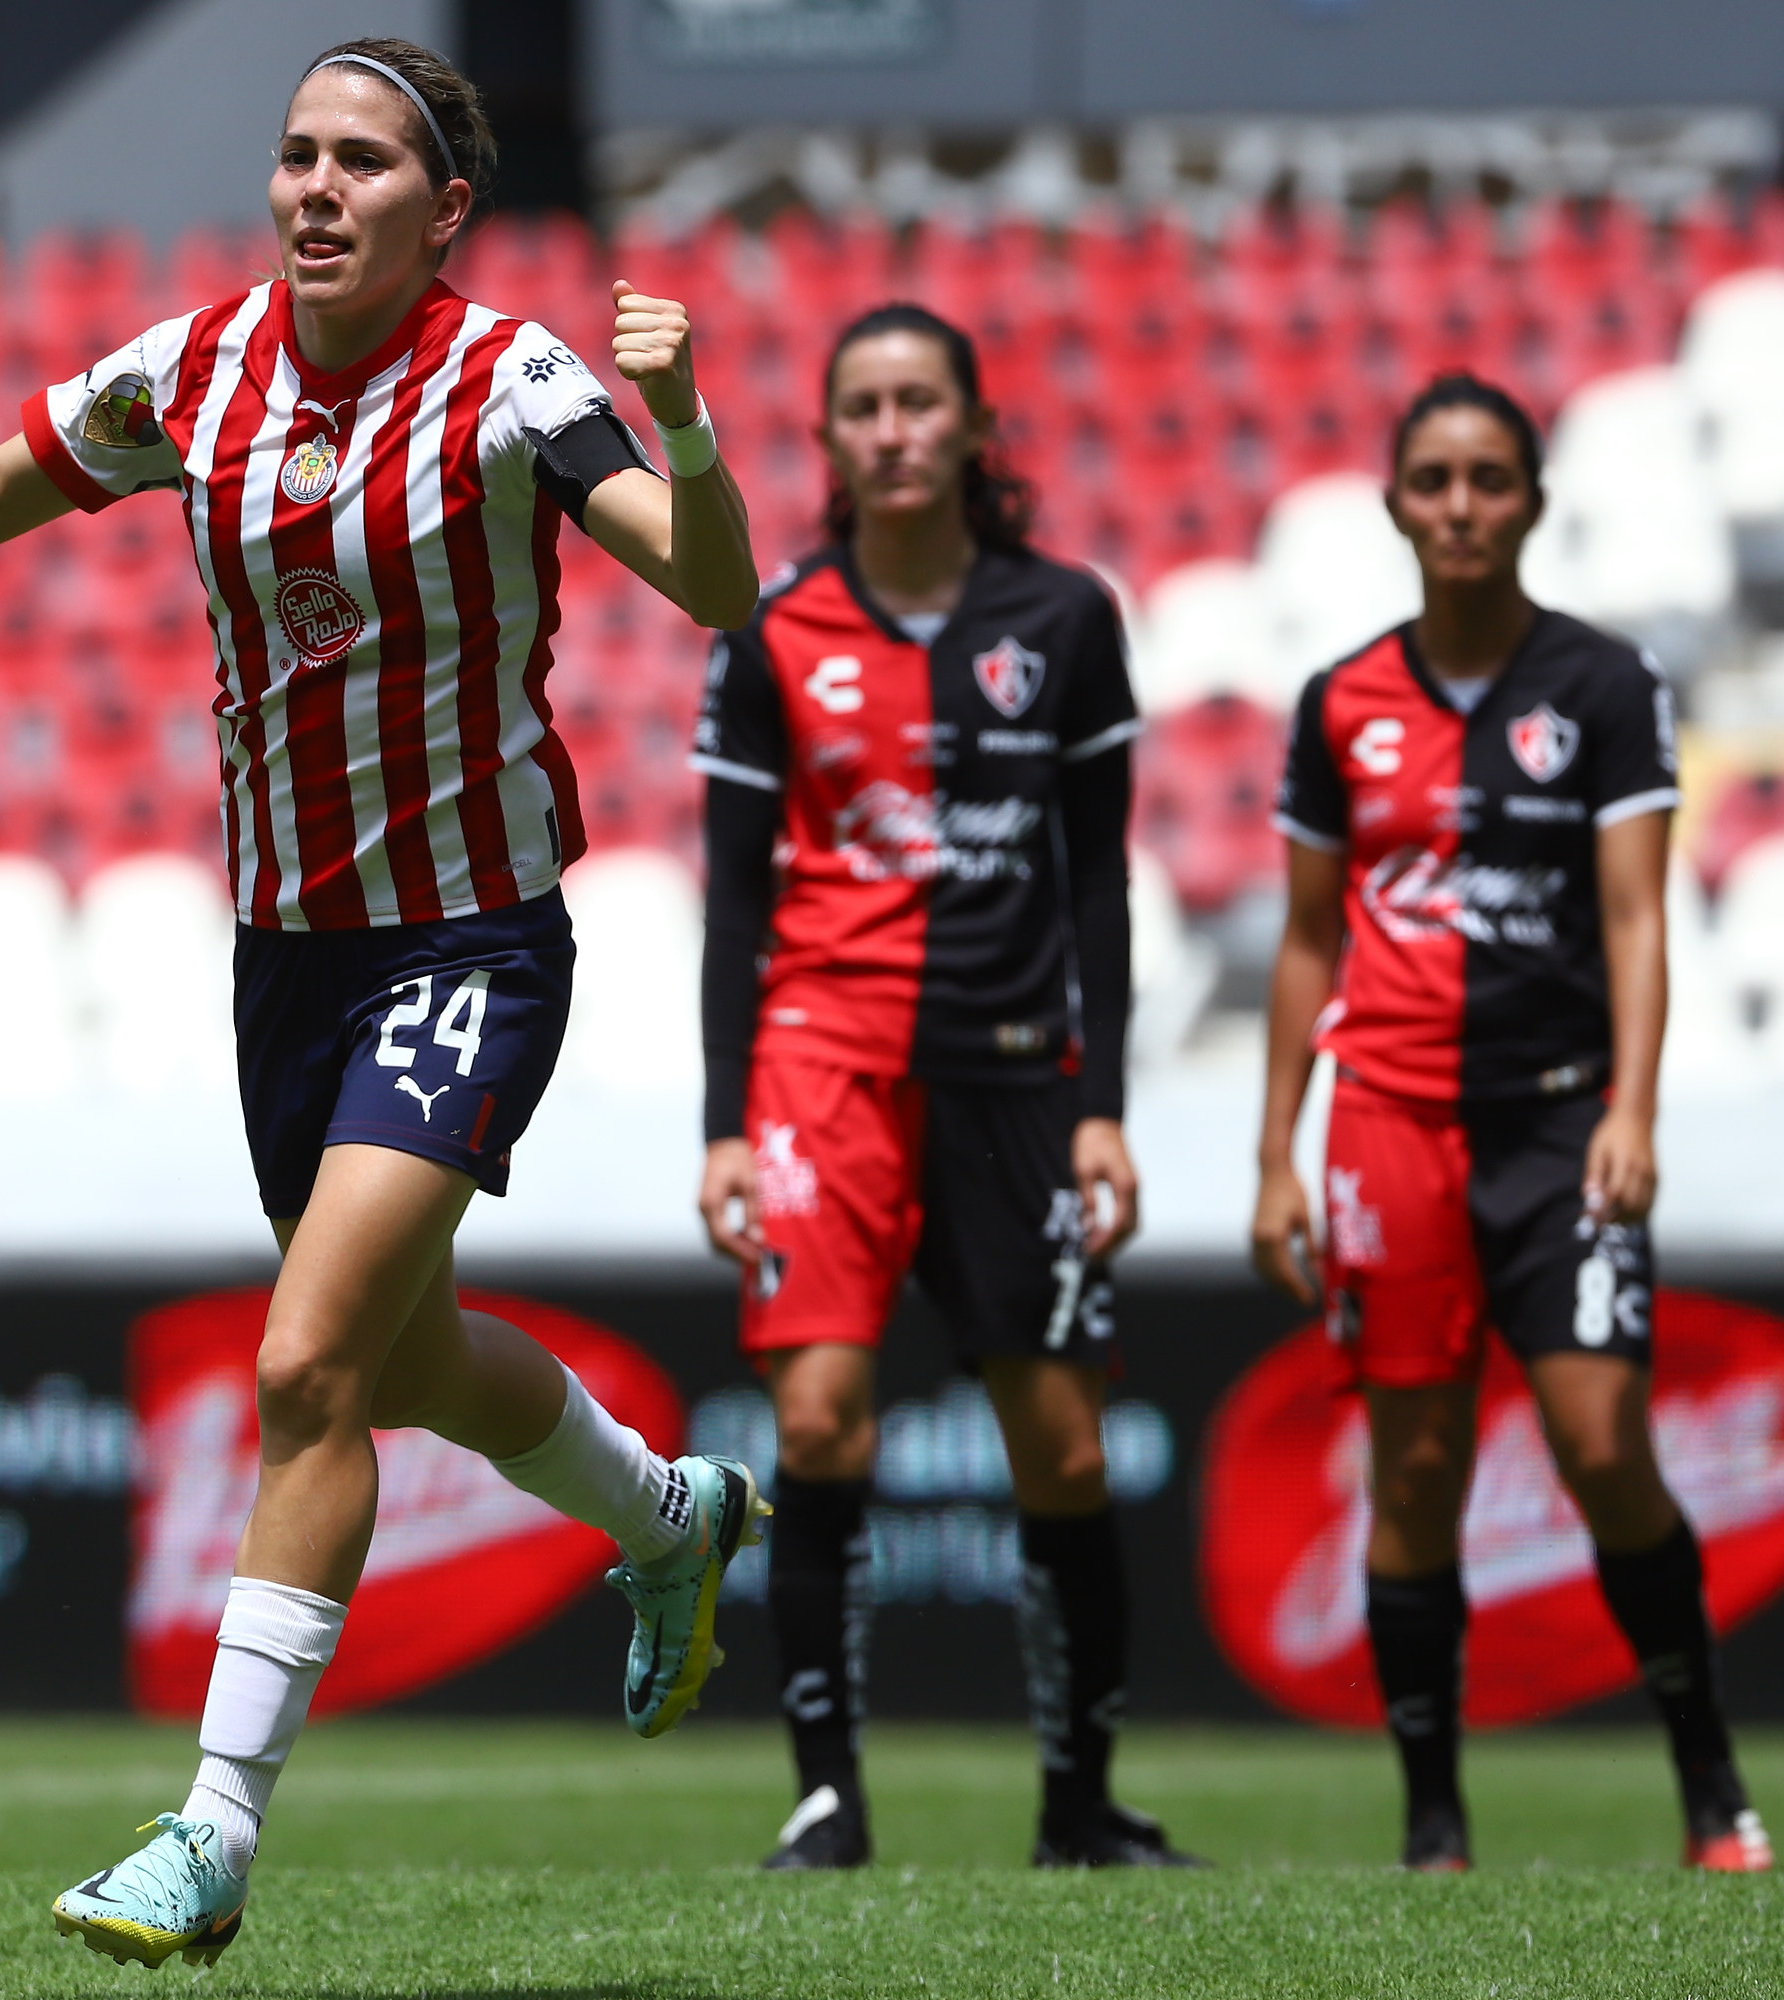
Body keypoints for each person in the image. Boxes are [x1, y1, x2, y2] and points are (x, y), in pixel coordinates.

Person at [0, 37, 768, 1970]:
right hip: (286, 955)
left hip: (471, 938)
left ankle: (209, 1836)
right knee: (404, 1366)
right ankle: (670, 1522)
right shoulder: (187, 372)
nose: (314, 189)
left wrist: (684, 424)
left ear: (444, 208)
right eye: (294, 154)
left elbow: (717, 589)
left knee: (301, 1372)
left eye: (361, 163)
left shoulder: (519, 382)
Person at [691, 303, 1194, 1873]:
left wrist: (1104, 1097)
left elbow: (1099, 883)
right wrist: (722, 1122)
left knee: (1062, 1448)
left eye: (921, 402)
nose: (894, 428)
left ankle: (1078, 1804)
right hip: (821, 1068)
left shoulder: (1066, 617)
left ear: (979, 432)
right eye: (864, 406)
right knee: (822, 1415)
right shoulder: (772, 625)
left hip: (1014, 1077)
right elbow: (731, 897)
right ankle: (827, 1796)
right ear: (832, 439)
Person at [1248, 373, 1769, 1875]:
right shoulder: (1340, 700)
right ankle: (1434, 1824)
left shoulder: (1603, 686)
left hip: (1557, 1128)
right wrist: (1278, 1151)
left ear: (1532, 501)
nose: (1462, 506)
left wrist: (1636, 1109)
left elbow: (1636, 917)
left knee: (1603, 1441)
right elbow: (1303, 941)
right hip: (1389, 1125)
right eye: (1435, 480)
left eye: (1490, 479)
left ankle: (1711, 1786)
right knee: (1414, 1471)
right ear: (1398, 503)